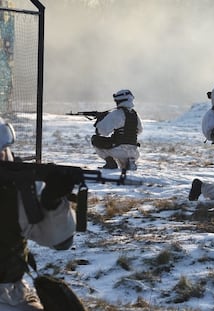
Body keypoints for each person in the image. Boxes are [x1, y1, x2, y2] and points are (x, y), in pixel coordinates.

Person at [0, 118, 77, 310]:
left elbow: (61, 241)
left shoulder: (17, 189)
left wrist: (53, 204)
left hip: (8, 294)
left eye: (2, 152)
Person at [91, 89, 143, 170]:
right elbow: (139, 131)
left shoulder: (116, 113)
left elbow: (101, 131)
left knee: (95, 140)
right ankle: (129, 162)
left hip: (117, 151)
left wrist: (100, 119)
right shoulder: (135, 114)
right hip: (134, 152)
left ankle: (110, 163)